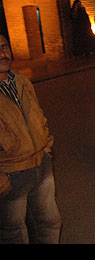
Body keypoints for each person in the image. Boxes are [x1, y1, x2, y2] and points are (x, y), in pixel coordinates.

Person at [0, 34, 62, 243]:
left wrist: (47, 146)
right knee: (15, 233)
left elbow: (38, 115)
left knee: (50, 222)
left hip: (40, 165)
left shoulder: (21, 80)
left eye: (5, 47)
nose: (3, 53)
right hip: (12, 174)